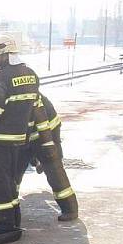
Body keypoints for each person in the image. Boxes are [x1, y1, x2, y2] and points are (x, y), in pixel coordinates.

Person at [0, 34, 48, 228]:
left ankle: (4, 221)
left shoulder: (2, 79)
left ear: (2, 53)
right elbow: (34, 108)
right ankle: (14, 217)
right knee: (10, 182)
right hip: (18, 141)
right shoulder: (31, 74)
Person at [26, 93, 79, 221]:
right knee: (47, 160)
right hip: (39, 131)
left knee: (54, 168)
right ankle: (41, 162)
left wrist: (47, 150)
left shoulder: (9, 89)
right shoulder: (7, 87)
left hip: (47, 129)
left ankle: (70, 209)